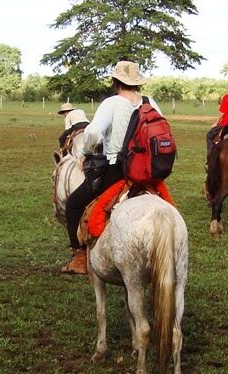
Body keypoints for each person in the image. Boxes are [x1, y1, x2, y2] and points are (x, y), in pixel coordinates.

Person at [61, 60, 162, 275]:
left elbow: (93, 133)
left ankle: (80, 256)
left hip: (118, 170)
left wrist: (86, 153)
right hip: (149, 172)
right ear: (138, 83)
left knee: (74, 204)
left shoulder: (112, 103)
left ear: (115, 81)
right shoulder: (150, 102)